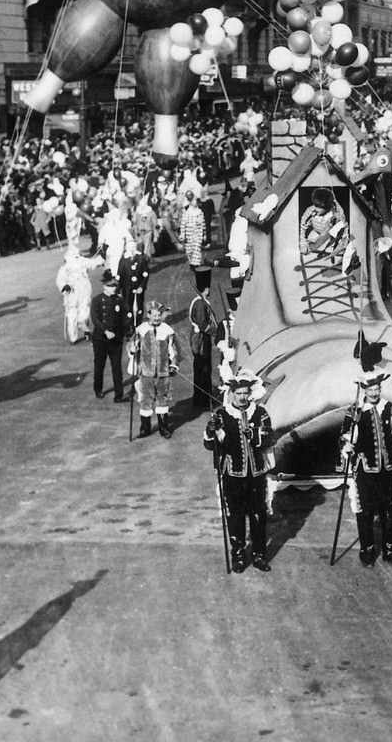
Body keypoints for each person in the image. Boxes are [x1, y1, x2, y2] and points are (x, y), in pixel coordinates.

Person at [340, 370, 392, 567]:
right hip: (366, 469)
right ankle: (367, 551)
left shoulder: (387, 407)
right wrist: (346, 445)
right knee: (366, 510)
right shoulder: (355, 411)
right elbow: (346, 436)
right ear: (364, 389)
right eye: (371, 389)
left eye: (377, 388)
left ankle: (389, 551)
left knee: (389, 509)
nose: (374, 393)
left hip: (388, 467)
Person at [204, 371, 275, 573]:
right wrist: (211, 430)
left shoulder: (260, 413)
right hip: (232, 475)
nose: (242, 397)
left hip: (256, 474)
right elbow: (210, 446)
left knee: (258, 515)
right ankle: (239, 556)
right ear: (232, 393)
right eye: (238, 393)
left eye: (245, 393)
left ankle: (259, 555)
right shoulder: (221, 415)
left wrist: (253, 434)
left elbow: (270, 437)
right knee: (235, 516)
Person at [132, 300, 180, 438]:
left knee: (163, 399)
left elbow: (174, 350)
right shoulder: (141, 329)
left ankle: (163, 427)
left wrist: (173, 365)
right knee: (146, 399)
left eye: (159, 315)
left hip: (163, 372)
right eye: (154, 315)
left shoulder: (167, 330)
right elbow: (132, 345)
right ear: (148, 315)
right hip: (146, 372)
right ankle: (145, 427)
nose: (156, 318)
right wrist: (132, 349)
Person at [88, 270, 127, 400]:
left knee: (117, 367)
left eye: (115, 286)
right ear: (104, 286)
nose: (114, 288)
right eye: (111, 286)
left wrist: (127, 333)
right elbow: (95, 318)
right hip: (101, 339)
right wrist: (105, 331)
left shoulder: (119, 300)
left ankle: (119, 395)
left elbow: (123, 319)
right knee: (99, 365)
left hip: (116, 339)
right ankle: (98, 389)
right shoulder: (97, 300)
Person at [188, 272, 220, 408]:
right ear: (205, 289)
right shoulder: (200, 304)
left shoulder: (200, 301)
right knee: (203, 367)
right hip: (201, 339)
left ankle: (203, 397)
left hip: (201, 337)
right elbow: (203, 325)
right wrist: (218, 332)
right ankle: (202, 399)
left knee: (203, 367)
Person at [55, 245, 93, 344]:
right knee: (72, 316)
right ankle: (73, 337)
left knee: (84, 312)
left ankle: (86, 331)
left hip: (84, 290)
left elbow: (93, 263)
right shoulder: (66, 267)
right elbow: (60, 278)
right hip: (72, 292)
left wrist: (102, 254)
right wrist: (64, 285)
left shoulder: (83, 262)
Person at [115, 235, 151, 330]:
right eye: (129, 248)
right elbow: (119, 275)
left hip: (138, 287)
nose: (131, 250)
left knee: (139, 306)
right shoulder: (123, 260)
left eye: (133, 248)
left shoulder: (141, 259)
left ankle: (138, 324)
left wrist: (142, 287)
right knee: (127, 306)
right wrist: (118, 290)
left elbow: (145, 274)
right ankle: (129, 326)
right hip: (126, 288)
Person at [180, 188, 209, 290]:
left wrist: (205, 234)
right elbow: (183, 224)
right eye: (194, 201)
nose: (195, 203)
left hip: (198, 233)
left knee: (197, 248)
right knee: (190, 251)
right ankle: (192, 264)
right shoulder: (187, 213)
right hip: (189, 234)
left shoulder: (200, 212)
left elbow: (203, 223)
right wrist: (182, 234)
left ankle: (196, 265)